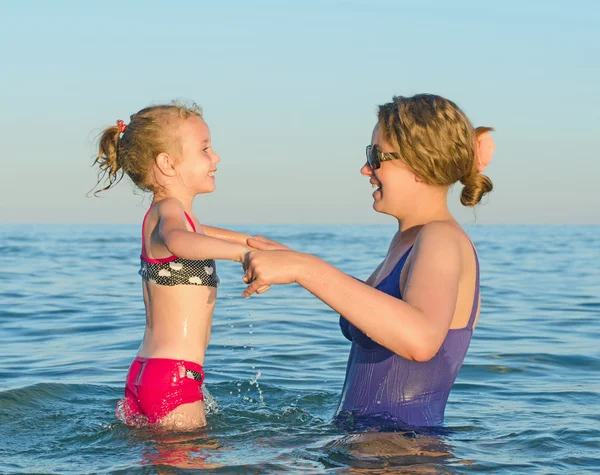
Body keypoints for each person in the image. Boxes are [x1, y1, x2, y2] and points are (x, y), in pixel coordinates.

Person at [242, 94, 496, 430]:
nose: (366, 169)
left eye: (376, 156)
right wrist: (292, 261)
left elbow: (420, 339)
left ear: (420, 164)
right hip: (367, 445)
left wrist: (306, 268)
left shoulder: (441, 238)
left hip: (401, 455)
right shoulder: (409, 241)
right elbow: (379, 312)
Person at [92, 102, 266, 430]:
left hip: (149, 372)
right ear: (167, 163)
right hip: (173, 376)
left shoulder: (174, 218)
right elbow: (179, 241)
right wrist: (243, 257)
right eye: (205, 149)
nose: (216, 158)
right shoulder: (170, 212)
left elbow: (224, 238)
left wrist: (263, 249)